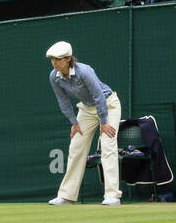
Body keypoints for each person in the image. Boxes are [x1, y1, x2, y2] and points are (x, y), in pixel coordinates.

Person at [45, 41, 122, 206]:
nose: (54, 63)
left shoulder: (84, 71)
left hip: (108, 105)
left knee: (107, 147)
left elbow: (99, 96)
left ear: (68, 59)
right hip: (86, 110)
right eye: (52, 59)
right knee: (76, 147)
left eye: (58, 59)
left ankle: (112, 196)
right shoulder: (54, 77)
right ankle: (66, 196)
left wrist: (104, 122)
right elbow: (63, 101)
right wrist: (74, 122)